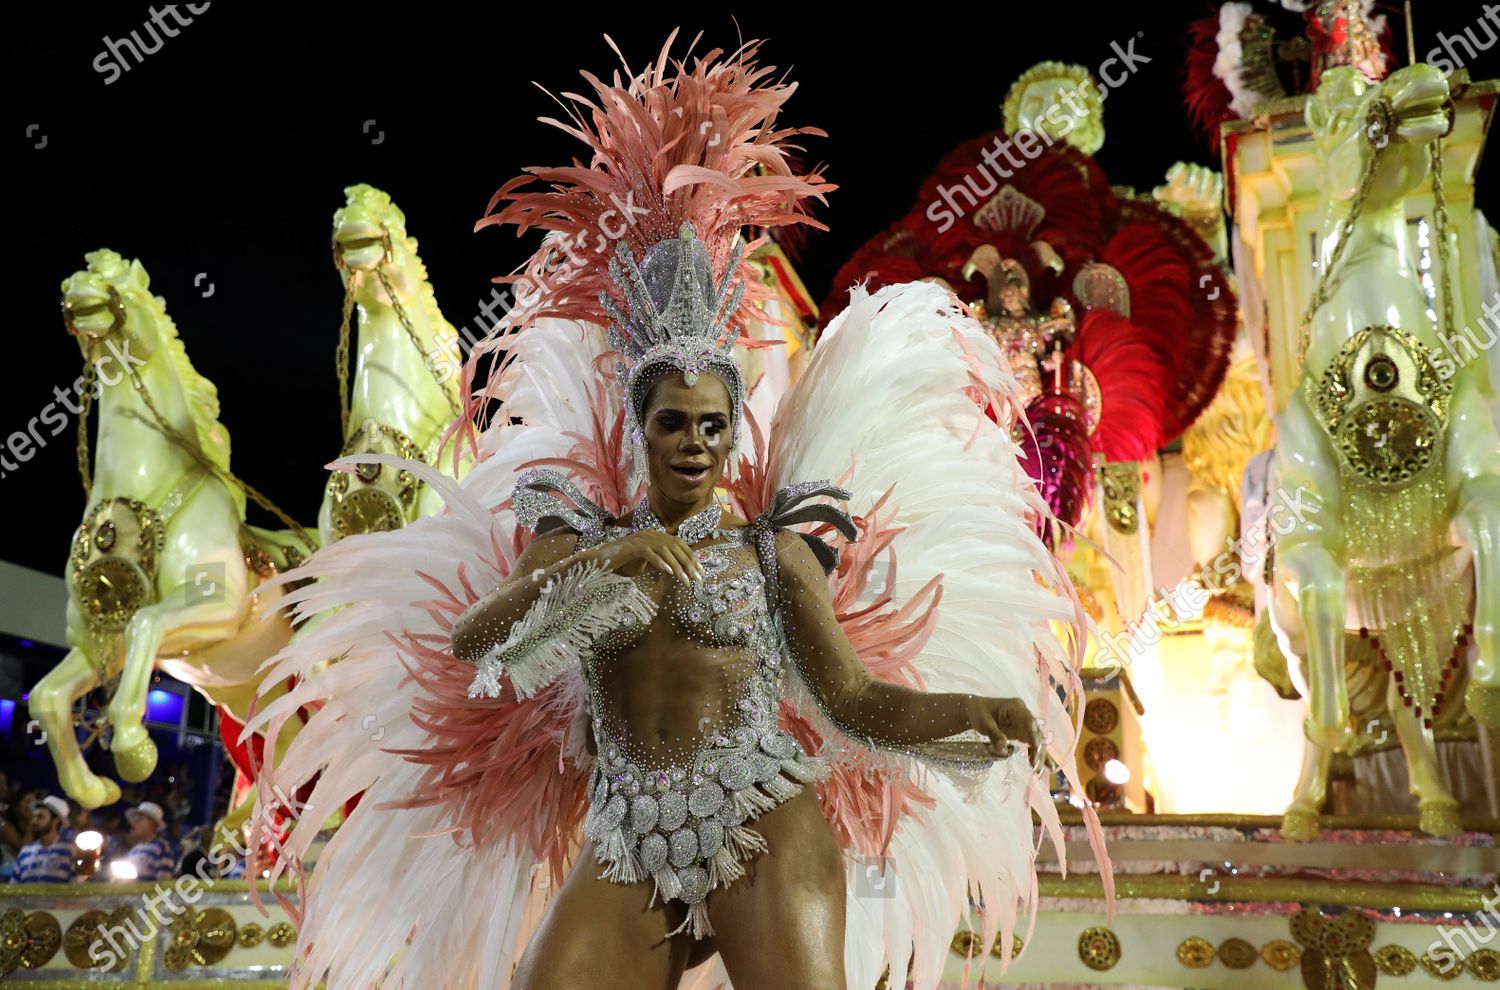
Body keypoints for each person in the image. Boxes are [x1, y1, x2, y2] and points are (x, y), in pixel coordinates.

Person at [245, 33, 1109, 990]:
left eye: (710, 423)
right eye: (673, 422)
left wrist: (973, 710)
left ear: (734, 430)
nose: (694, 441)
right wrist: (599, 570)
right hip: (627, 840)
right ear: (641, 428)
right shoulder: (581, 535)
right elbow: (477, 645)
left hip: (761, 819)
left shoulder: (773, 552)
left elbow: (853, 702)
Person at [13, 795, 74, 883]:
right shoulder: (25, 852)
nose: (33, 821)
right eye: (33, 817)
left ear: (55, 821)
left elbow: (78, 889)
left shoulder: (70, 851)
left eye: (40, 817)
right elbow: (13, 888)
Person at [123, 801, 175, 881]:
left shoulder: (161, 846)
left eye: (140, 818)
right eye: (135, 819)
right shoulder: (134, 850)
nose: (135, 822)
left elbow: (164, 880)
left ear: (153, 824)